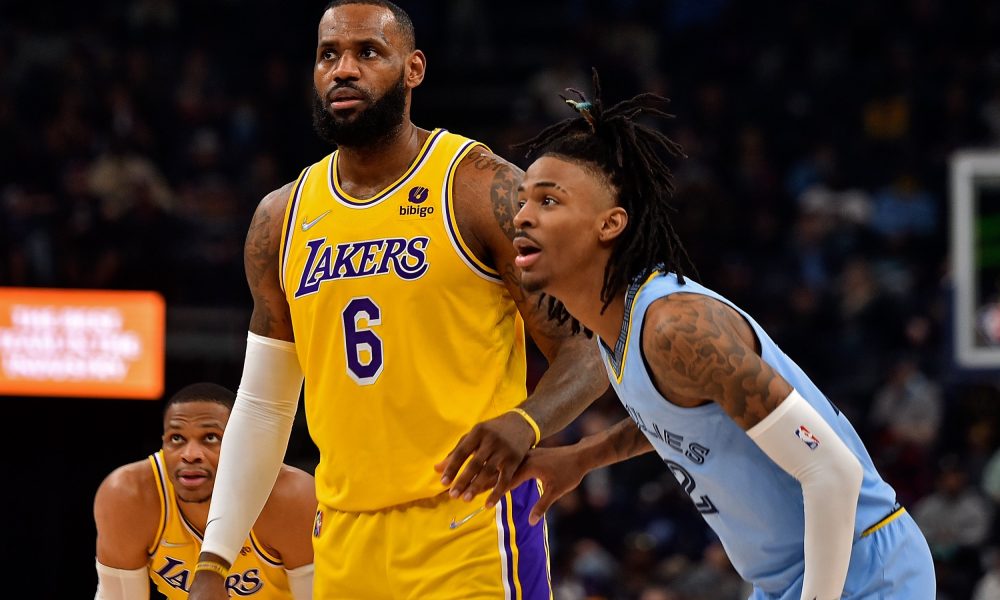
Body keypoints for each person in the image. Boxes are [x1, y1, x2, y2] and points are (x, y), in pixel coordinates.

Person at [188, 2, 607, 599]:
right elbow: (262, 405)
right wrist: (214, 558)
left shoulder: (478, 187)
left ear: (413, 69)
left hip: (469, 525)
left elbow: (588, 346)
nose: (343, 70)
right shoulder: (281, 218)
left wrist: (528, 422)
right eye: (328, 55)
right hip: (343, 535)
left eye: (368, 53)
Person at [488, 71, 936, 599]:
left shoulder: (677, 327)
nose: (522, 217)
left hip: (861, 567)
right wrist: (586, 456)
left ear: (610, 224)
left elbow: (833, 472)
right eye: (521, 201)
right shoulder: (616, 325)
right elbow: (685, 414)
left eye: (548, 201)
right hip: (785, 579)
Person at [93, 382, 316, 599]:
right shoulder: (130, 495)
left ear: (240, 444)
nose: (190, 454)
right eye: (177, 438)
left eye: (210, 438)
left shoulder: (290, 497)